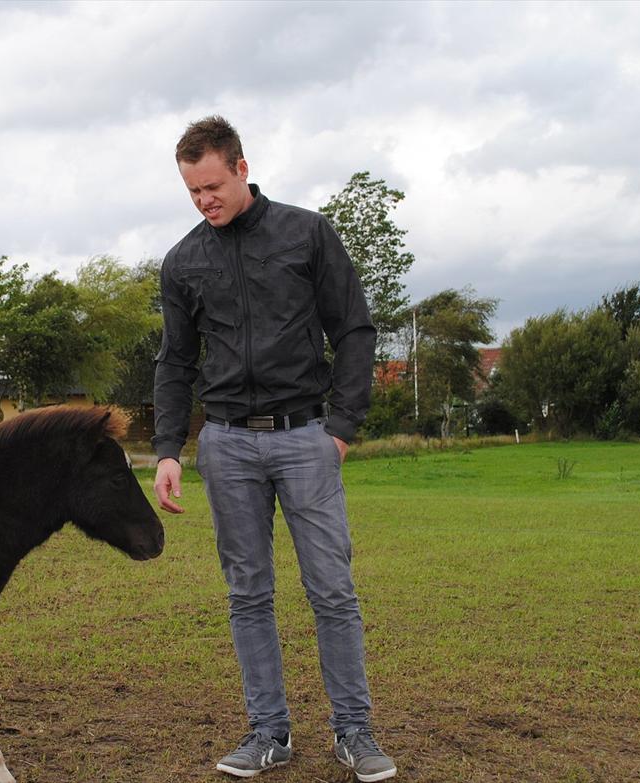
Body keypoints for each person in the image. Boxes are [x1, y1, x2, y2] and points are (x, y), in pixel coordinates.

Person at [152, 116, 396, 782]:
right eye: (192, 191)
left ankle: (354, 731)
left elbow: (354, 328)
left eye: (211, 185)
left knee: (332, 590)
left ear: (240, 167)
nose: (204, 200)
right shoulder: (182, 262)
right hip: (226, 446)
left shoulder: (306, 233)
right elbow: (174, 362)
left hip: (305, 437)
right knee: (247, 594)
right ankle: (268, 732)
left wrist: (341, 427)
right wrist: (170, 447)